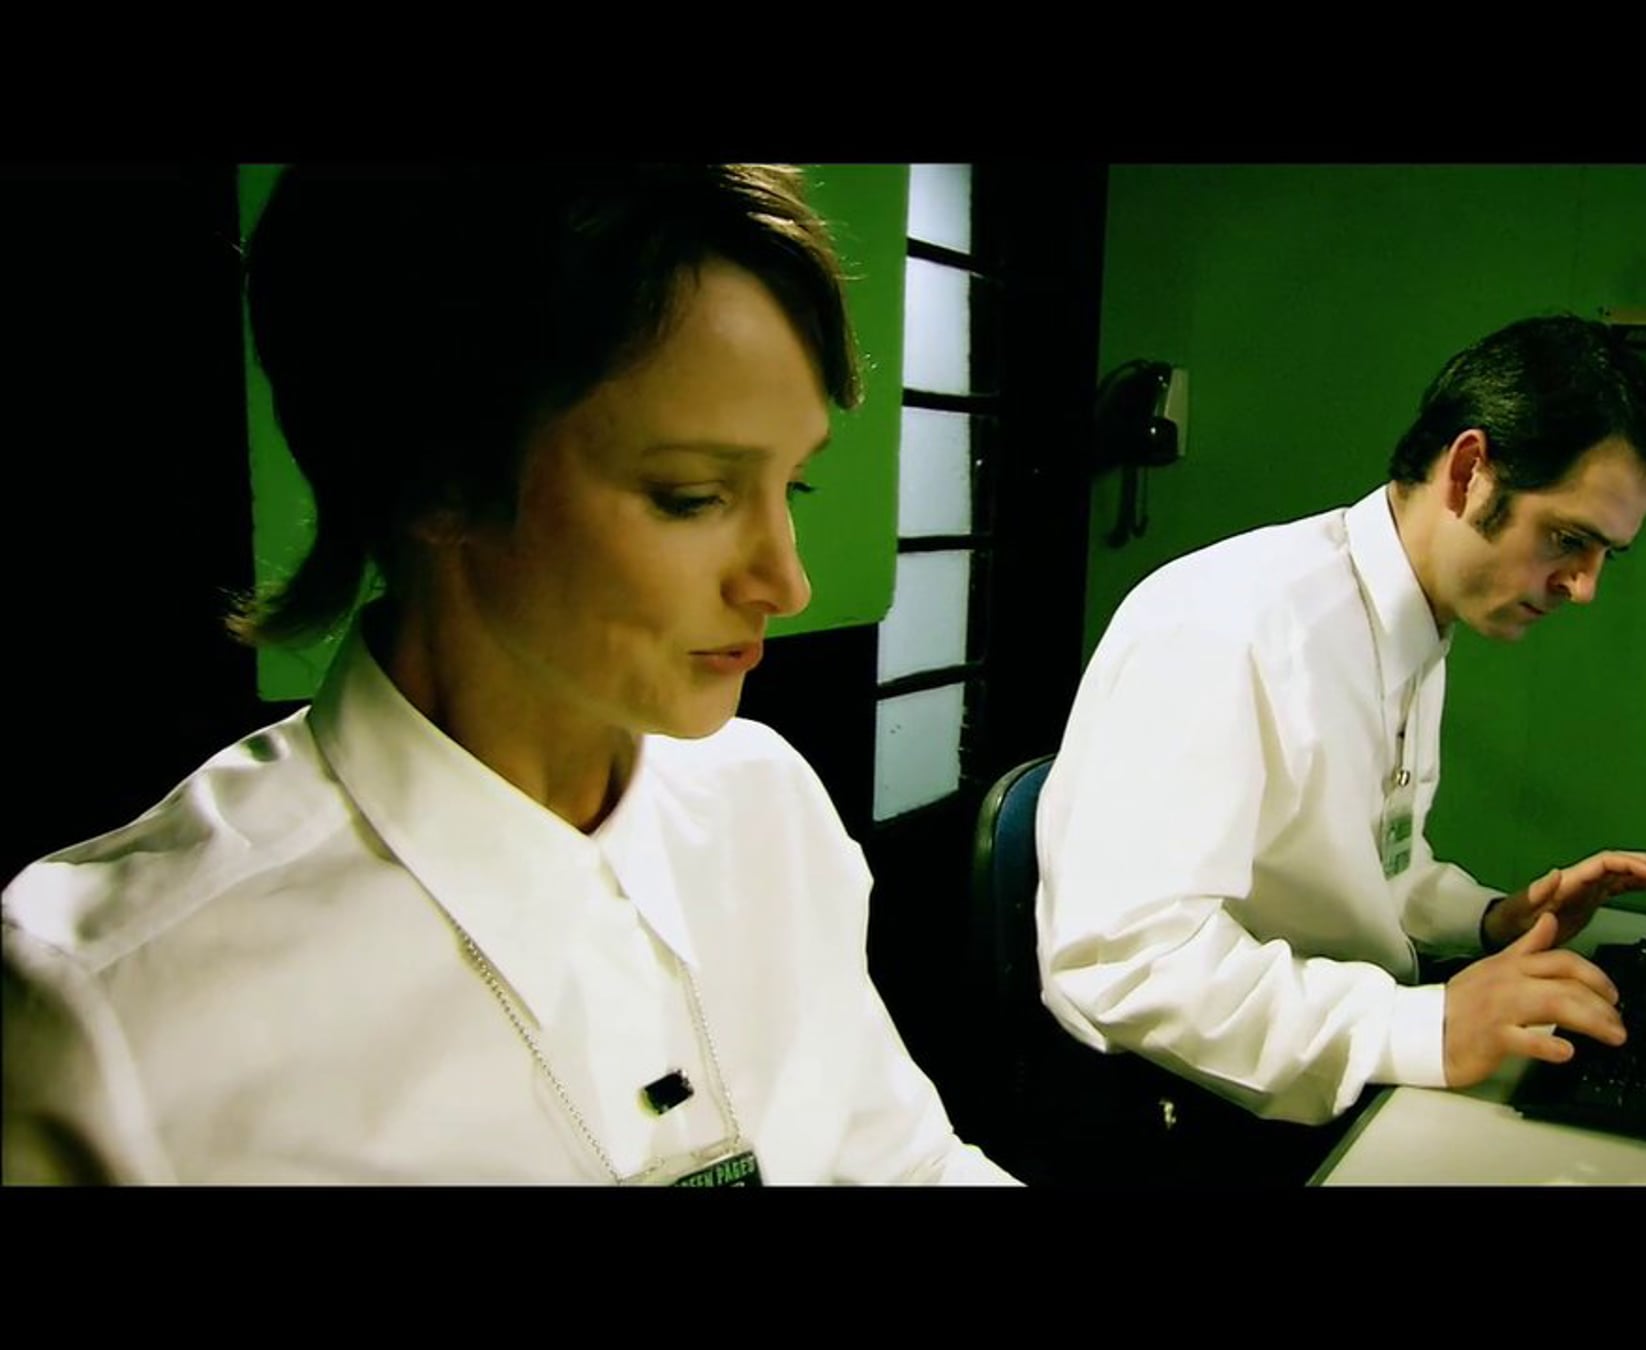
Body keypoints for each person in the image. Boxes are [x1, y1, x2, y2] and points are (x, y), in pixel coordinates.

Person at [1, 164, 1012, 1185]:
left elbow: (902, 1160)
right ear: (434, 475)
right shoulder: (119, 1011)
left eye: (794, 484)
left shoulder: (766, 802)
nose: (786, 583)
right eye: (693, 495)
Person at [1034, 315, 1646, 1183]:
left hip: (1297, 1055)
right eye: (1568, 539)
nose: (1584, 586)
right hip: (1178, 1110)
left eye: (1607, 554)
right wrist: (1425, 1025)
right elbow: (1125, 961)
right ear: (1469, 473)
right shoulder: (1228, 626)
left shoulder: (1408, 617)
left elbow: (1370, 868)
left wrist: (1492, 921)